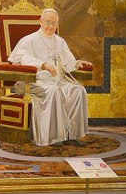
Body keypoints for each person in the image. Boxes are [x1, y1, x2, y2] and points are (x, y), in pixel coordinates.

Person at [8, 8, 92, 147]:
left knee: (78, 91)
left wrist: (76, 63)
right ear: (40, 22)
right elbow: (18, 58)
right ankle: (53, 137)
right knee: (54, 92)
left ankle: (71, 136)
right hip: (38, 81)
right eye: (48, 22)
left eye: (54, 23)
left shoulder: (60, 41)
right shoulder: (29, 40)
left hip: (59, 80)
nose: (51, 26)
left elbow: (67, 62)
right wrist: (42, 64)